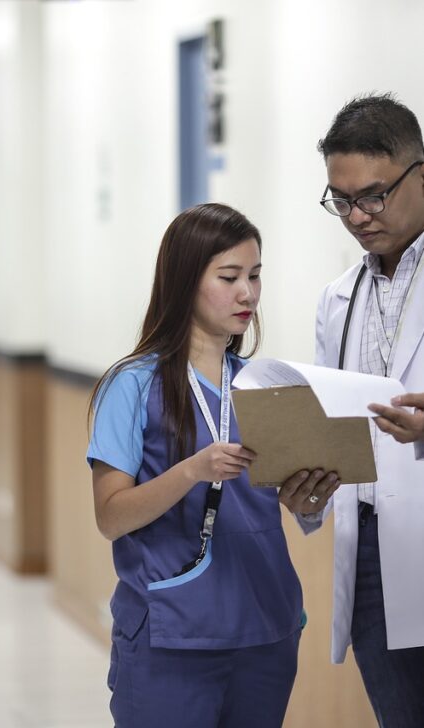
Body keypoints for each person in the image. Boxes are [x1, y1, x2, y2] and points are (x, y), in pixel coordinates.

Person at [87, 203, 339, 728]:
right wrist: (191, 472)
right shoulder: (132, 386)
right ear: (184, 282)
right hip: (171, 638)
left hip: (265, 632)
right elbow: (111, 517)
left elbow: (283, 507)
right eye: (229, 277)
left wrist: (308, 499)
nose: (247, 293)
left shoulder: (265, 385)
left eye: (255, 275)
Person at [279, 93, 424, 727]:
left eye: (373, 195)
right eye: (340, 201)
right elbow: (333, 427)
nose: (357, 216)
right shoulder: (338, 300)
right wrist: (308, 485)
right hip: (369, 551)